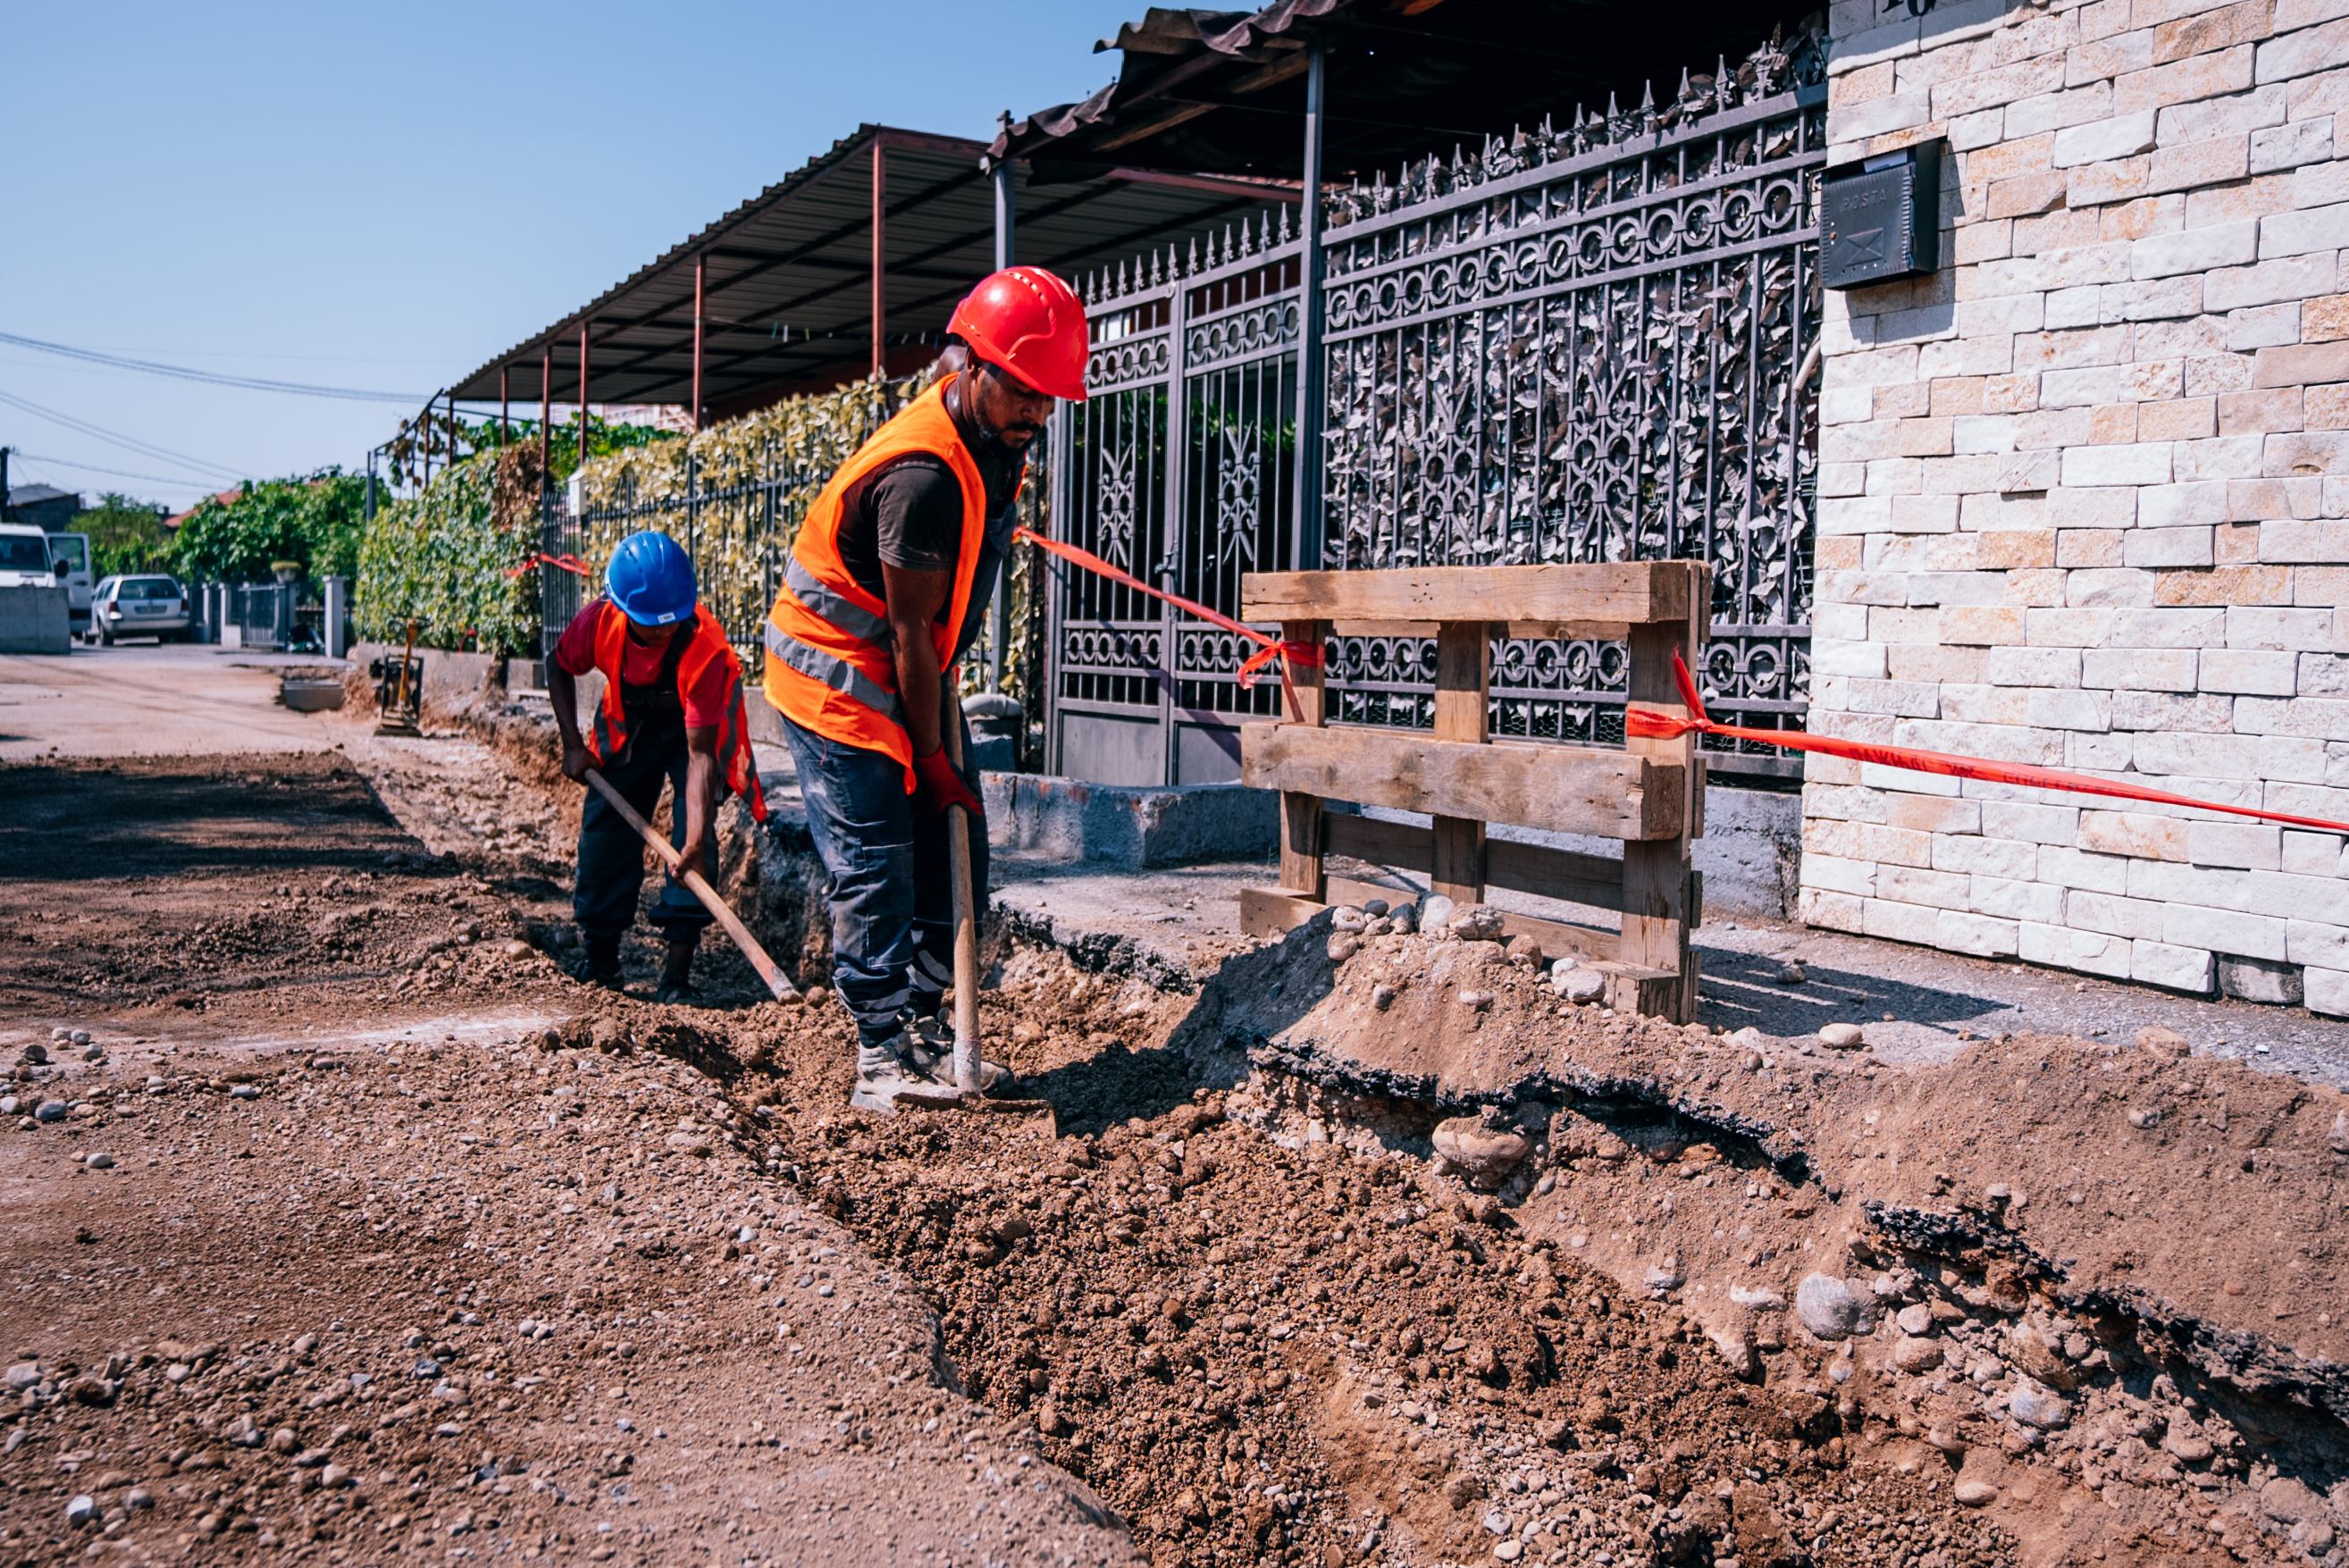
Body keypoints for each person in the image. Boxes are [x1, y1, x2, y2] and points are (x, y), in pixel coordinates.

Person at [763, 266, 1087, 1111]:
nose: (1039, 413)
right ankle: (879, 1055)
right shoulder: (922, 479)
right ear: (974, 366)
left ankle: (924, 1019)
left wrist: (940, 753)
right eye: (1025, 392)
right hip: (835, 671)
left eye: (1051, 398)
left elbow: (934, 625)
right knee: (878, 859)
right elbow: (909, 629)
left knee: (961, 854)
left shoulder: (994, 438)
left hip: (912, 668)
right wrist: (931, 755)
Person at [549, 530, 767, 1002]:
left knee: (697, 840)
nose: (665, 632)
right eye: (652, 625)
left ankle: (676, 980)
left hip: (696, 732)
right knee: (605, 831)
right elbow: (558, 664)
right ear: (623, 610)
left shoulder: (703, 647)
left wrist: (689, 841)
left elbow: (700, 754)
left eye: (673, 623)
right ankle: (602, 963)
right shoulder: (598, 622)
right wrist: (571, 744)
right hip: (631, 726)